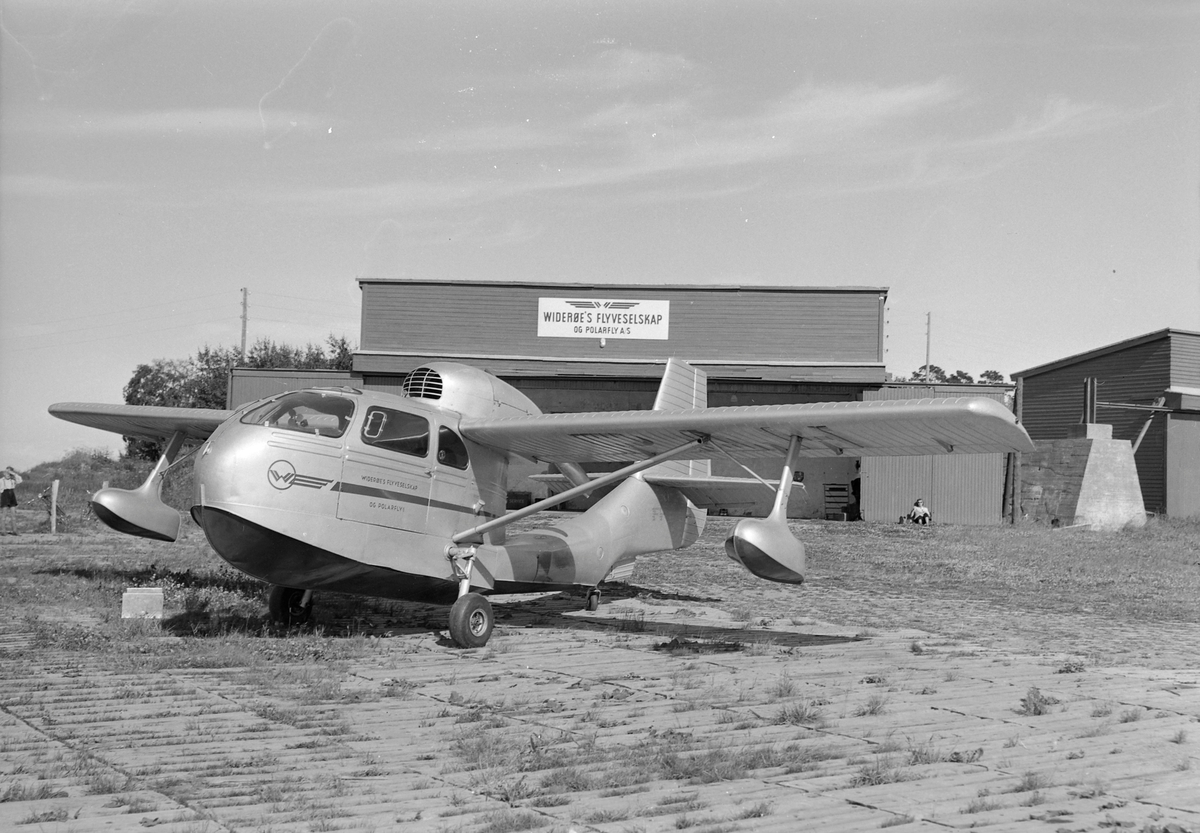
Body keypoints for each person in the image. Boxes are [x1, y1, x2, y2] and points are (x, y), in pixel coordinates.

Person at [1, 466, 22, 535]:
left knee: (13, 515)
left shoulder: (13, 481)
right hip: (5, 496)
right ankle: (3, 531)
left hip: (12, 497)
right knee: (4, 515)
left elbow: (20, 480)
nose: (8, 475)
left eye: (9, 473)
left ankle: (15, 530)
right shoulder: (1, 481)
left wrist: (14, 474)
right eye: (6, 473)